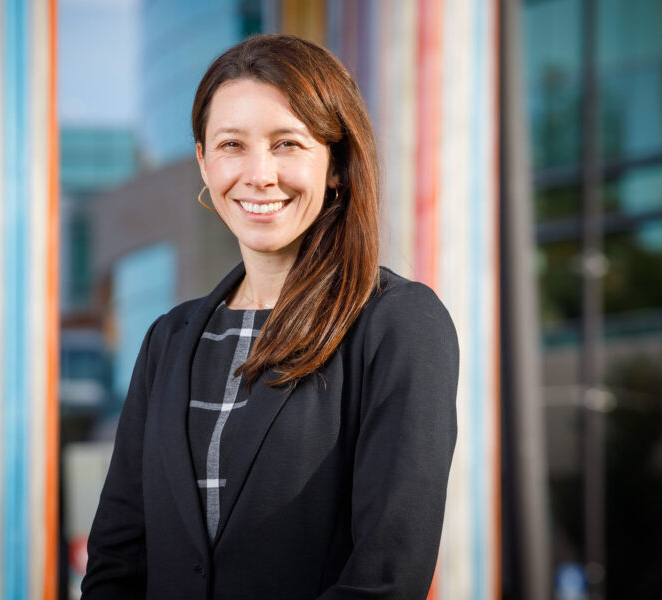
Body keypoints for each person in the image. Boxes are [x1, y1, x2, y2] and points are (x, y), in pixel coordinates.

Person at [81, 34, 458, 600]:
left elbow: (385, 578)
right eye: (232, 144)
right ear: (204, 163)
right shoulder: (168, 340)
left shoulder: (397, 325)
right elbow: (117, 558)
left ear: (335, 163)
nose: (259, 174)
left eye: (287, 144)